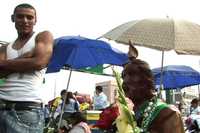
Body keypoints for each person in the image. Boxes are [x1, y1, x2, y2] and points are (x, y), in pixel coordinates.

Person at [0, 3, 53, 133]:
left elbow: (39, 62)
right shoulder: (5, 47)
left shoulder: (43, 36)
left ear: (35, 20)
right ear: (13, 18)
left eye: (29, 17)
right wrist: (26, 58)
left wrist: (3, 63)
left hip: (26, 109)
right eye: (20, 17)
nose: (25, 20)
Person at [121, 58, 185, 133]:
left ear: (146, 81)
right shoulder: (124, 112)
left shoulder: (168, 113)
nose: (125, 81)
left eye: (132, 74)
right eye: (124, 76)